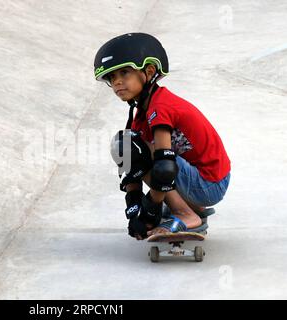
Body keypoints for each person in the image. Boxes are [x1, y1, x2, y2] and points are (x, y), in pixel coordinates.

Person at [94, 33, 231, 240]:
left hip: (210, 183)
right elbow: (132, 166)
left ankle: (185, 213)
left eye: (124, 73)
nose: (117, 82)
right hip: (198, 180)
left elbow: (164, 168)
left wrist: (151, 209)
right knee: (126, 145)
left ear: (148, 72)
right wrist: (134, 209)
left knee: (133, 147)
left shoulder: (161, 107)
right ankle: (189, 207)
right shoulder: (141, 114)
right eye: (112, 77)